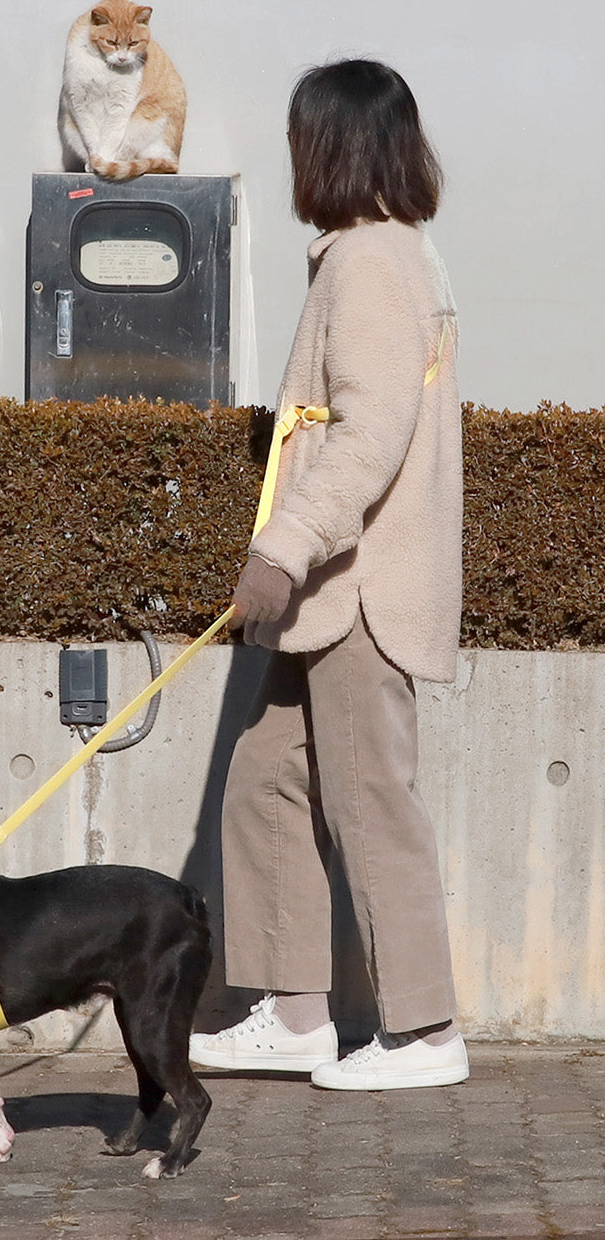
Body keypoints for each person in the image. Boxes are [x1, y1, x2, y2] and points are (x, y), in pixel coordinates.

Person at [189, 59, 468, 1091]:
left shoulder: (374, 261)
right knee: (267, 780)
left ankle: (429, 1035)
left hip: (357, 587)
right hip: (329, 592)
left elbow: (370, 436)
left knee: (368, 800)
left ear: (336, 147)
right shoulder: (377, 255)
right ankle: (296, 1015)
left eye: (303, 137)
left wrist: (281, 548)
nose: (295, 155)